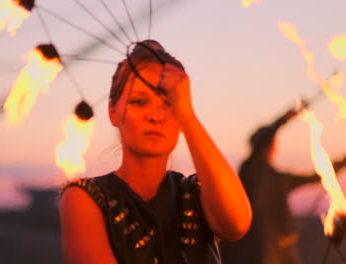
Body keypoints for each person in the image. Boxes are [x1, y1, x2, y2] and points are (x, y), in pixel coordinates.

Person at [59, 40, 252, 264]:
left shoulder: (196, 193)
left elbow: (237, 225)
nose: (155, 116)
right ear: (113, 112)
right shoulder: (86, 198)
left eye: (169, 103)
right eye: (139, 101)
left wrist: (188, 117)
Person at [219, 107, 346, 264]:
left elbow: (318, 175)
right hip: (258, 251)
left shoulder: (277, 178)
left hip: (282, 248)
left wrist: (343, 161)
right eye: (271, 143)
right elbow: (263, 140)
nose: (273, 147)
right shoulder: (249, 171)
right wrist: (283, 119)